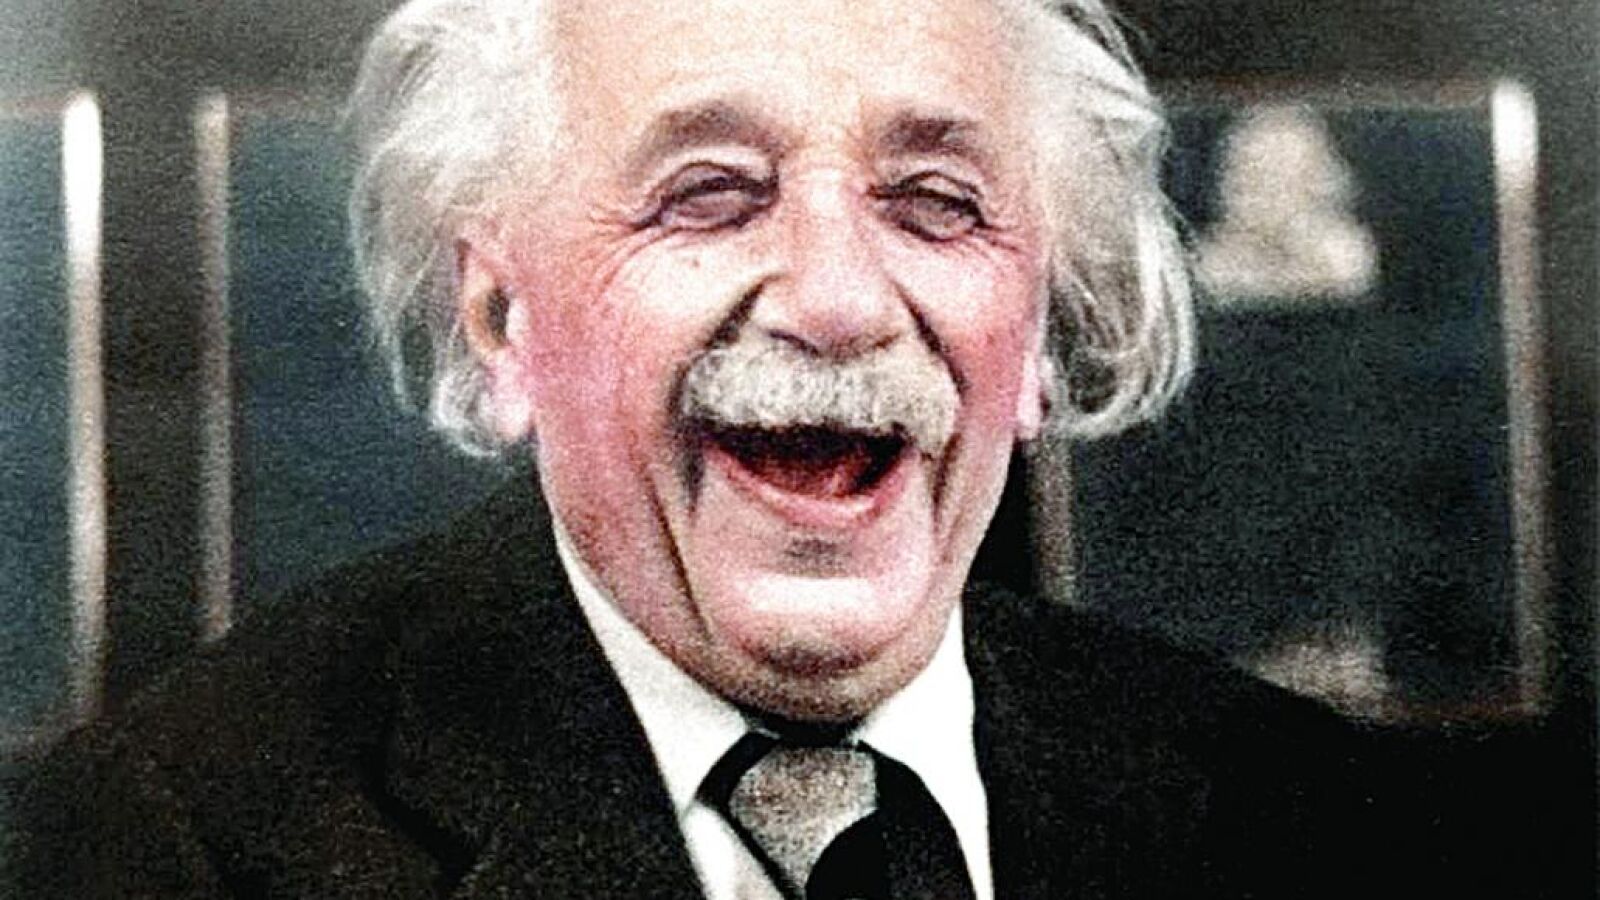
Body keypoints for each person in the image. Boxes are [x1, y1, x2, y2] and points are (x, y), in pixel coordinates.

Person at [8, 0, 1538, 897]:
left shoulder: (1317, 826)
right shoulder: (174, 847)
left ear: (1034, 329)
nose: (838, 300)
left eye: (935, 203)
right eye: (710, 194)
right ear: (501, 318)